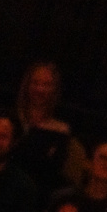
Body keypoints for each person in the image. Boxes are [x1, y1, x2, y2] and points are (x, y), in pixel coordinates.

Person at [14, 61, 83, 197]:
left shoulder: (61, 129)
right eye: (35, 83)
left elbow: (53, 171)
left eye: (46, 85)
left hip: (40, 193)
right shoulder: (10, 118)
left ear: (54, 89)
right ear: (27, 85)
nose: (40, 89)